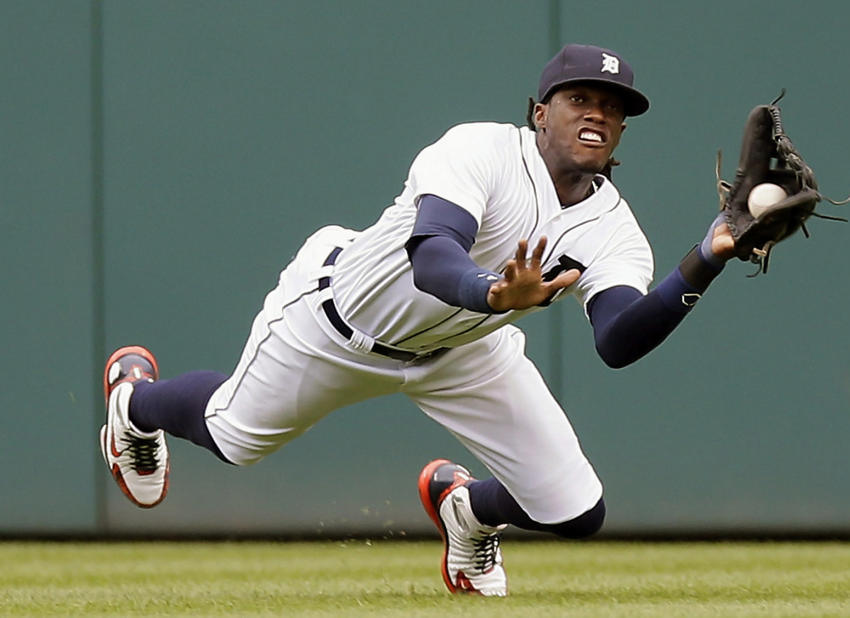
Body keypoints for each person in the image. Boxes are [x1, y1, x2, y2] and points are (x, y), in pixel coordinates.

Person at [100, 43, 735, 596]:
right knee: (234, 439)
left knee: (576, 512)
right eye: (580, 97)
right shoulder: (479, 149)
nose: (599, 112)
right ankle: (136, 404)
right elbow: (433, 256)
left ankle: (466, 510)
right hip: (337, 324)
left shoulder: (615, 231)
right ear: (540, 113)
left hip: (463, 353)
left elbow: (618, 340)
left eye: (614, 105)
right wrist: (492, 295)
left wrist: (706, 260)